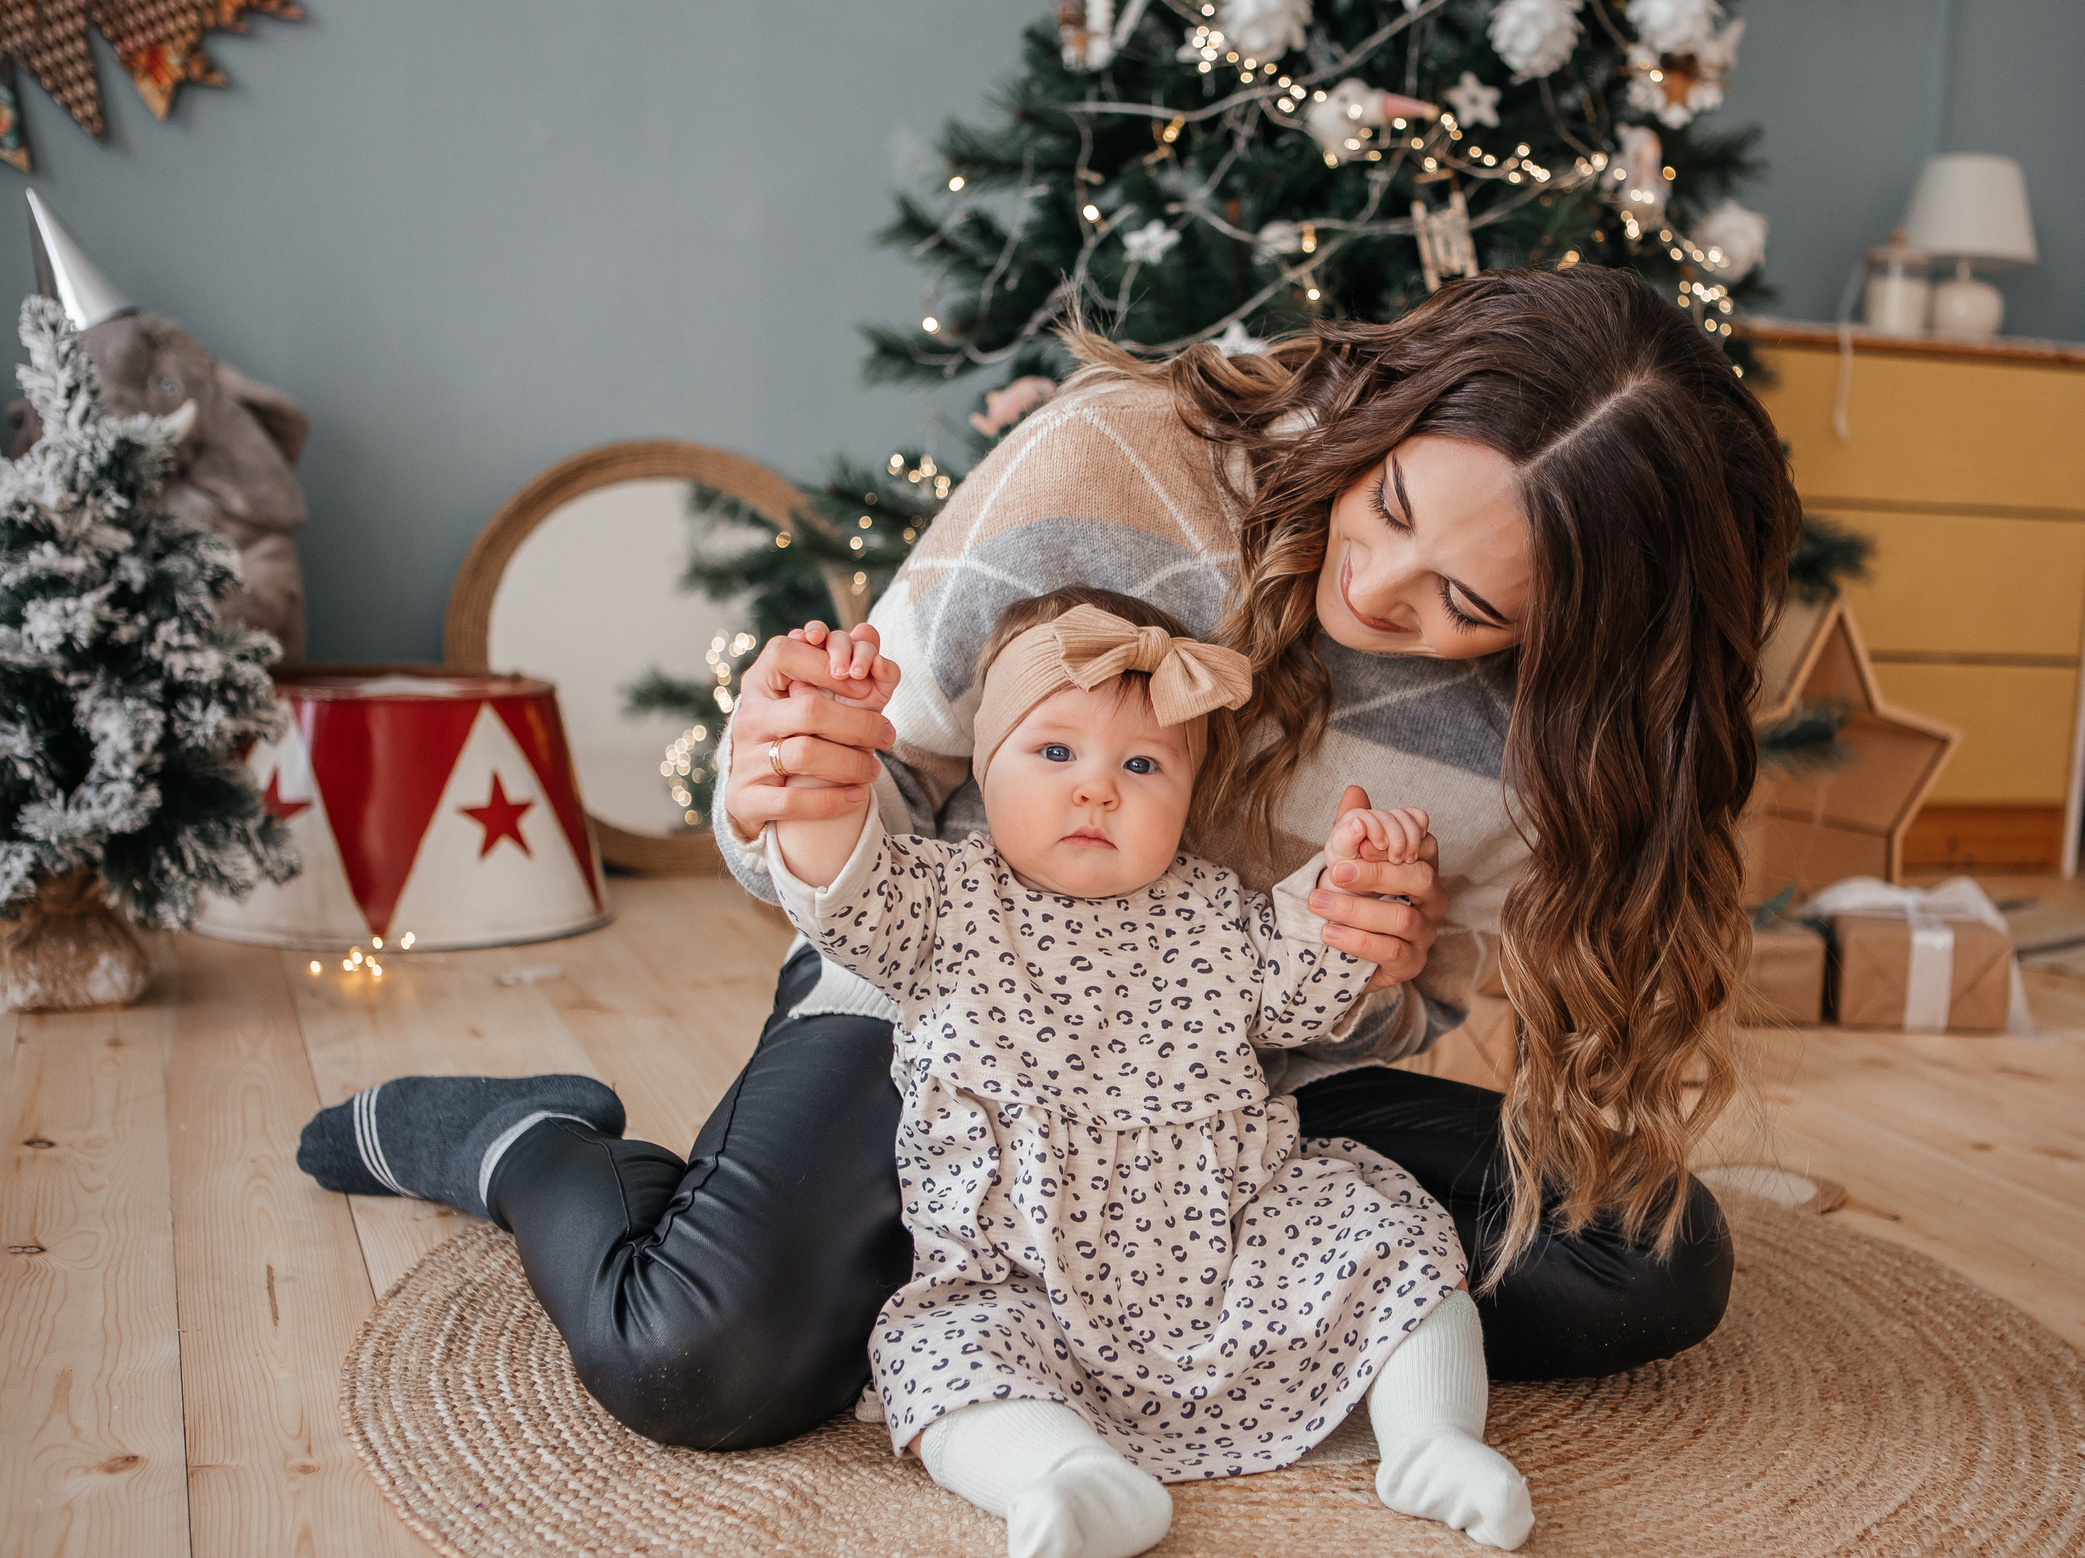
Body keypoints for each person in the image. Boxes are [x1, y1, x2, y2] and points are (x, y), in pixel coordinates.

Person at [298, 265, 1799, 1453]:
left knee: (1647, 1255)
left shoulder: (1559, 725)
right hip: (954, 1010)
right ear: (1394, 403)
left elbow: (1386, 1009)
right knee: (700, 1353)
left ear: (1577, 632)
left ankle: (1074, 1278)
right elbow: (850, 812)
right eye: (1392, 501)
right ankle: (537, 1143)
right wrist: (790, 781)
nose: (1374, 585)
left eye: (1464, 596)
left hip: (1233, 1082)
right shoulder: (1118, 462)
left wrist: (1375, 964)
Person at [757, 589, 1528, 1558]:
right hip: (1020, 1268)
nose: (1096, 791)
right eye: (1054, 753)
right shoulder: (941, 898)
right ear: (985, 769)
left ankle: (1431, 1441)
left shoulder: (1213, 912)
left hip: (1229, 1243)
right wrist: (825, 788)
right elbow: (836, 882)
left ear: (1187, 794)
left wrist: (1351, 891)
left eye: (1141, 764)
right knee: (940, 1356)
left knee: (1389, 1238)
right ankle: (1064, 1477)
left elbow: (1302, 986)